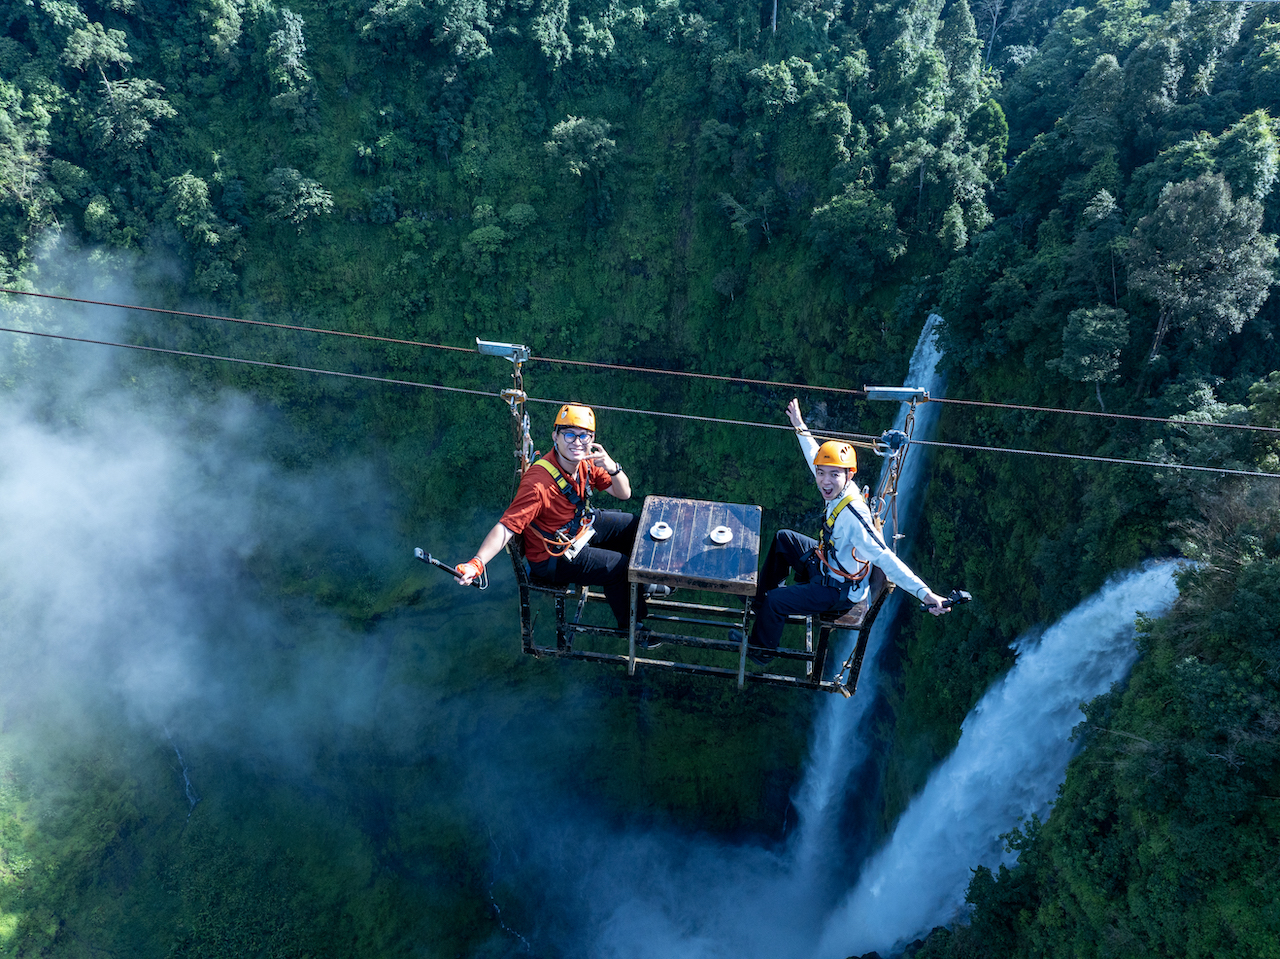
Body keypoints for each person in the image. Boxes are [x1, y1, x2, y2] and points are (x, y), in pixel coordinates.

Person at [738, 398, 949, 664]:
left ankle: (761, 653)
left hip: (838, 591)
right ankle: (760, 608)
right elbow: (813, 455)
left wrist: (926, 594)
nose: (825, 481)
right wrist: (800, 426)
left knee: (776, 601)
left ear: (848, 475)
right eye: (821, 473)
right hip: (829, 563)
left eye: (834, 475)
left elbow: (885, 558)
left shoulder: (854, 516)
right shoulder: (841, 488)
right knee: (784, 539)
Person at [454, 403, 666, 640]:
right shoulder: (538, 484)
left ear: (592, 438)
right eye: (569, 434)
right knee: (617, 567)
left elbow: (623, 493)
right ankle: (631, 627)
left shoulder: (587, 463)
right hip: (553, 556)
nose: (577, 442)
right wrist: (477, 563)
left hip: (579, 529)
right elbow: (506, 527)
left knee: (634, 527)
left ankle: (642, 585)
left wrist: (611, 467)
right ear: (555, 436)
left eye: (584, 435)